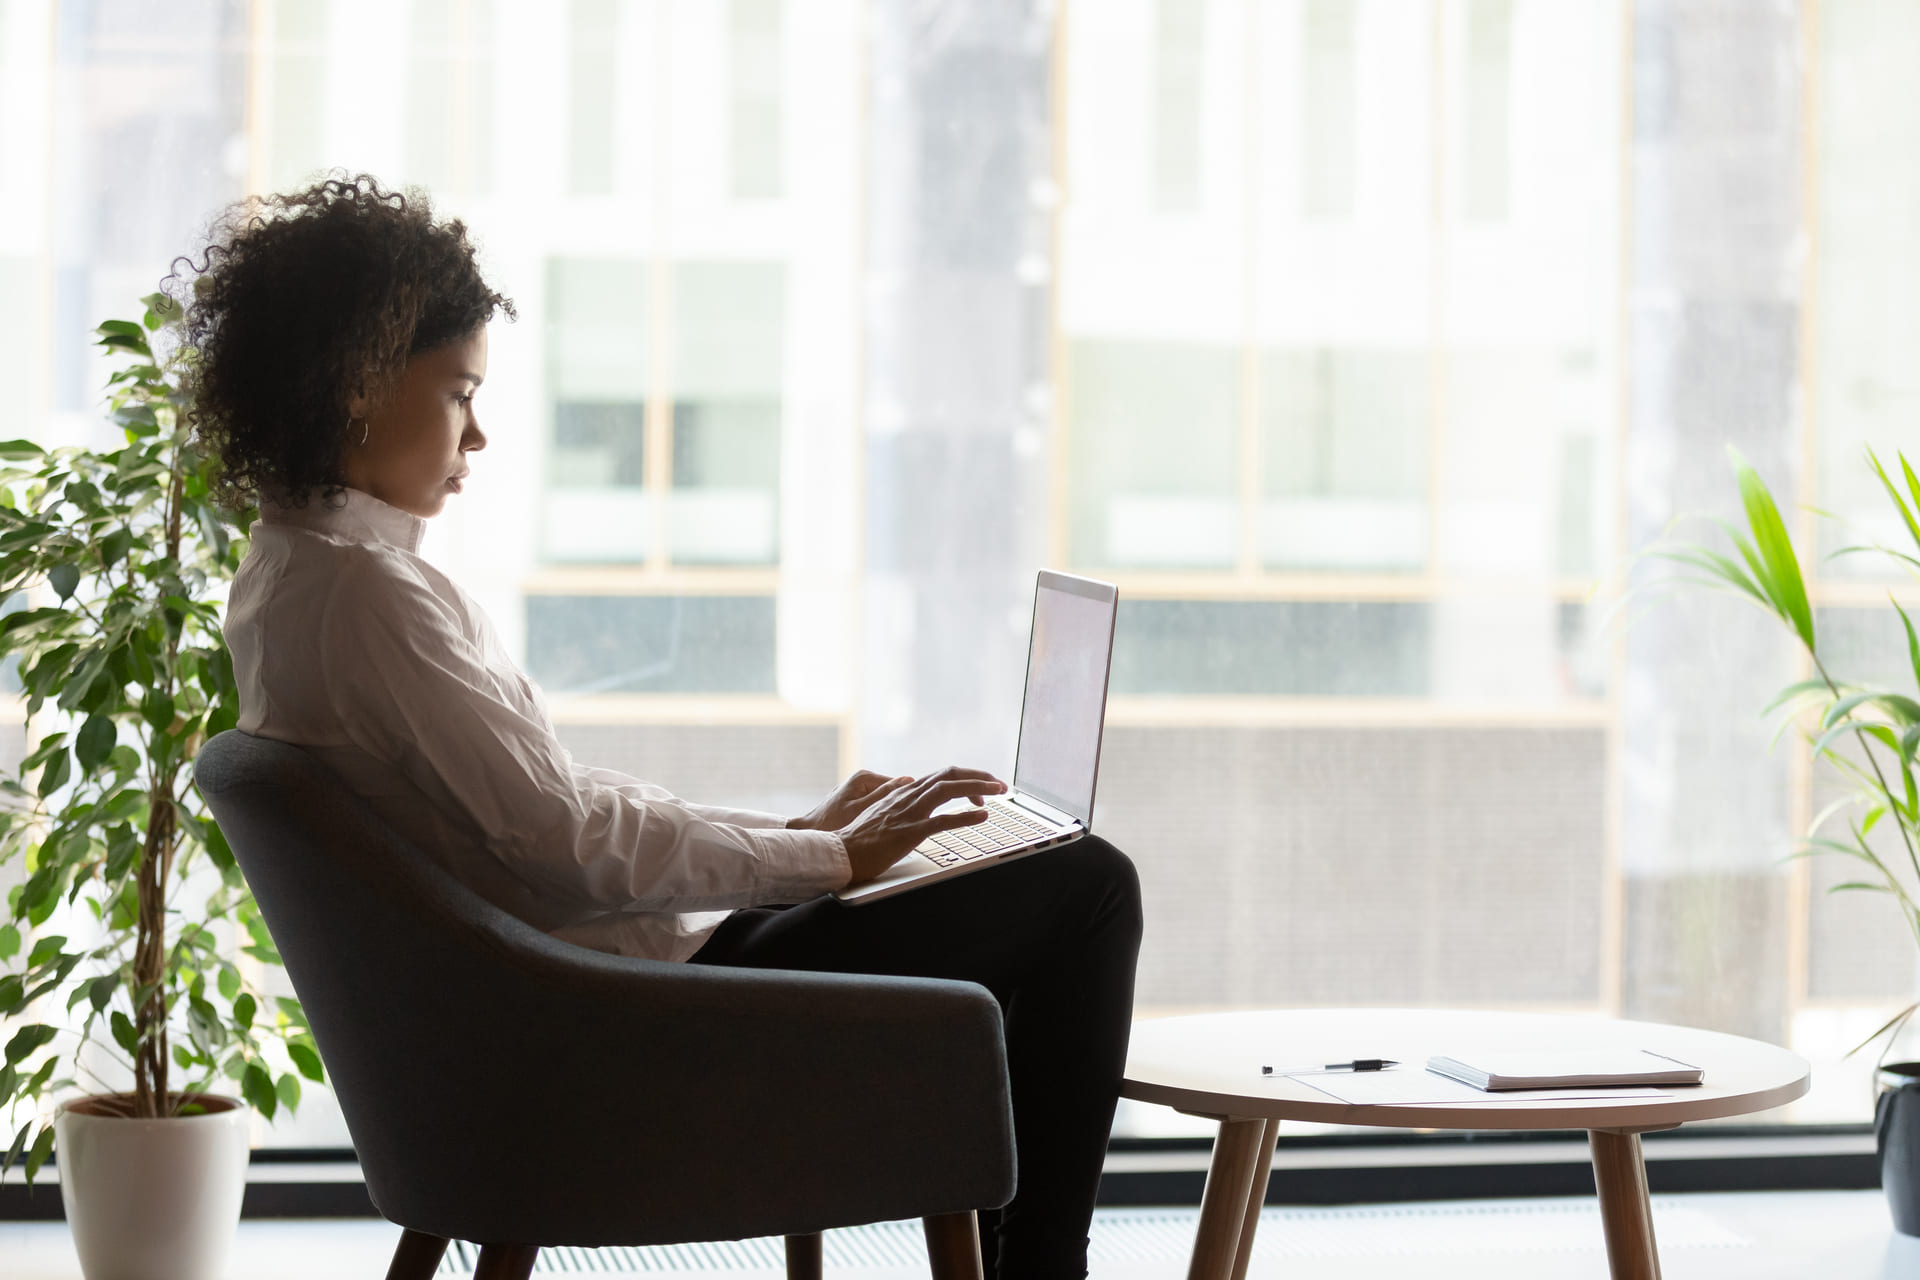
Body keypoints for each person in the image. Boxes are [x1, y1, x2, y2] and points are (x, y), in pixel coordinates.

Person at [184, 175, 1142, 1280]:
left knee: (1000, 879)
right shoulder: (369, 599)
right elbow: (565, 838)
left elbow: (548, 813)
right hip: (628, 1034)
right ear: (353, 383)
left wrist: (800, 840)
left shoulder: (286, 576)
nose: (479, 432)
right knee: (1083, 883)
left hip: (579, 1010)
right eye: (457, 391)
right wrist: (823, 858)